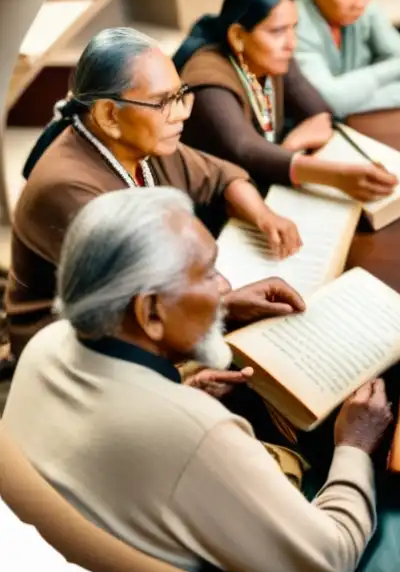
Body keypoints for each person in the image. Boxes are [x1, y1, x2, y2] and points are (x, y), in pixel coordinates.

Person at [3, 188, 394, 572]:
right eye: (208, 273)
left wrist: (177, 388)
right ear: (150, 312)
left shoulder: (46, 344)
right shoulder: (197, 433)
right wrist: (354, 445)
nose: (224, 286)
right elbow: (329, 565)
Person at [6, 27, 300, 357]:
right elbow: (137, 307)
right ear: (109, 114)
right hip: (71, 351)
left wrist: (264, 215)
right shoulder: (68, 188)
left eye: (180, 95)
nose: (182, 113)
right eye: (163, 102)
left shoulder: (139, 143)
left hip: (143, 314)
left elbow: (221, 176)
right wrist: (222, 300)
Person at [175, 0, 397, 200]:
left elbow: (319, 114)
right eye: (277, 31)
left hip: (264, 187)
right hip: (216, 208)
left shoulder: (271, 56)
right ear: (238, 36)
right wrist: (335, 174)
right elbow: (245, 150)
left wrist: (289, 148)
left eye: (293, 28)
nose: (292, 43)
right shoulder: (208, 81)